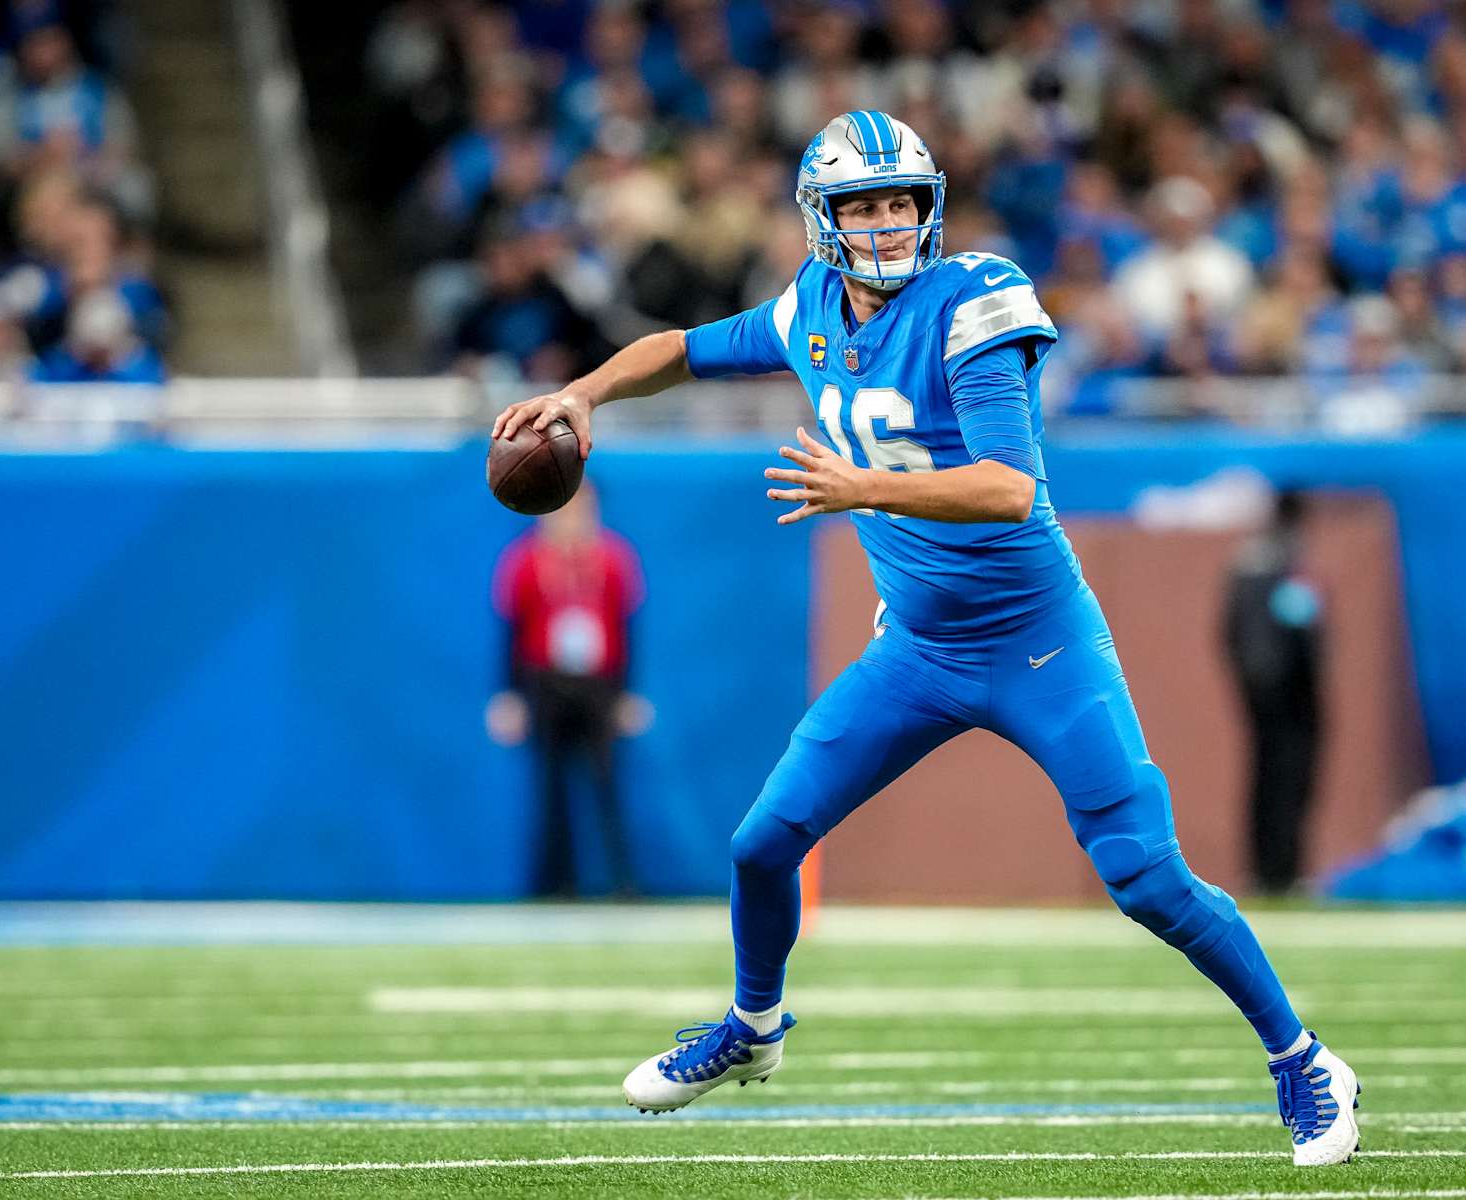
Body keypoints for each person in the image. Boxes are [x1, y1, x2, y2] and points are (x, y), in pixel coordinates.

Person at [492, 110, 1362, 1167]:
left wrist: (865, 487)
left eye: (902, 199)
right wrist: (583, 393)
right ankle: (753, 1029)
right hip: (918, 649)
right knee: (762, 844)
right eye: (866, 204)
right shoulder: (808, 307)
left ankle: (1304, 1060)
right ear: (824, 219)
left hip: (1036, 638)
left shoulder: (972, 302)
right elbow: (683, 350)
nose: (890, 221)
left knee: (1144, 874)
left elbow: (1008, 486)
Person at [488, 479, 644, 898]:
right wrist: (510, 695)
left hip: (599, 684)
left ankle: (623, 882)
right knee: (550, 787)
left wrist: (627, 693)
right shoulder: (525, 560)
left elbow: (627, 629)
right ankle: (556, 884)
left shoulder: (612, 558)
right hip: (546, 681)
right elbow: (511, 632)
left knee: (606, 784)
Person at [1225, 491, 1325, 895]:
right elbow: (1297, 633)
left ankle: (1268, 870)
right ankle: (1281, 871)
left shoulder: (1248, 563)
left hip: (1260, 692)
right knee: (1287, 779)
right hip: (1289, 696)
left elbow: (1231, 633)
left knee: (1266, 778)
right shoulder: (1283, 564)